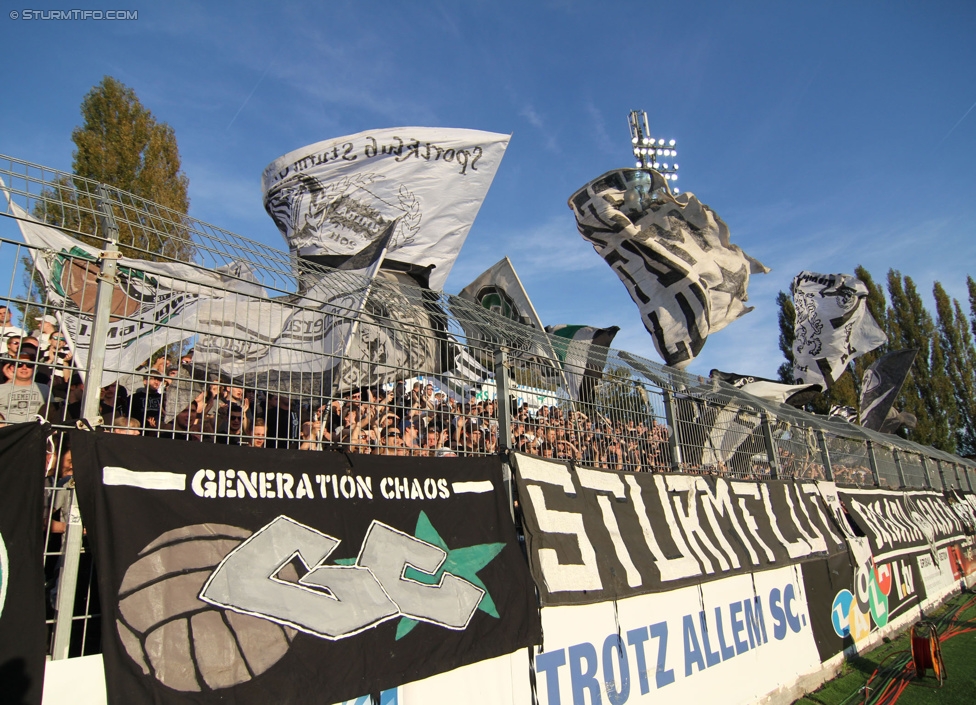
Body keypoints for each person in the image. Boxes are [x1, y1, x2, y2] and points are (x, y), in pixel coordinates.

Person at [0, 353, 49, 423]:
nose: (24, 367)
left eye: (29, 365)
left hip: (35, 431)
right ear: (12, 368)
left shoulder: (44, 388)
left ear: (34, 368)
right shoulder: (1, 389)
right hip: (9, 431)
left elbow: (52, 412)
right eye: (19, 364)